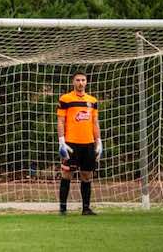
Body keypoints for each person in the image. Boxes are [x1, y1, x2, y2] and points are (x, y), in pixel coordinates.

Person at [57, 72, 102, 216]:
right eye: (78, 80)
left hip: (88, 144)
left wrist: (99, 142)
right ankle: (63, 209)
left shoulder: (92, 100)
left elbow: (95, 123)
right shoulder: (65, 99)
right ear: (73, 82)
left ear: (87, 82)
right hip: (71, 144)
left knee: (87, 175)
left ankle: (86, 209)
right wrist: (61, 141)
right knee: (66, 174)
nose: (80, 83)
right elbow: (60, 121)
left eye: (83, 80)